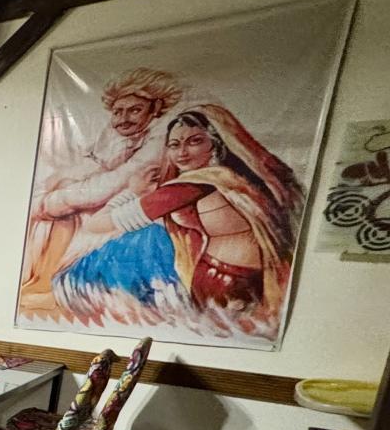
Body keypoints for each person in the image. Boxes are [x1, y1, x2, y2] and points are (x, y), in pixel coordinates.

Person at [73, 104, 302, 328]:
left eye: (194, 141)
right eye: (174, 145)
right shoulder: (230, 179)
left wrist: (132, 192)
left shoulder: (189, 188)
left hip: (225, 280)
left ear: (215, 144)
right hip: (238, 276)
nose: (182, 152)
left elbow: (95, 225)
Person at [20, 68, 183, 312]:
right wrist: (55, 185)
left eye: (134, 110)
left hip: (145, 211)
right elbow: (93, 165)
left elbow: (110, 185)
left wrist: (51, 202)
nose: (123, 118)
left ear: (155, 108)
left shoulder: (160, 138)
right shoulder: (118, 133)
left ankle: (58, 287)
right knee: (61, 199)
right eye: (118, 112)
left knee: (70, 213)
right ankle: (46, 281)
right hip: (120, 201)